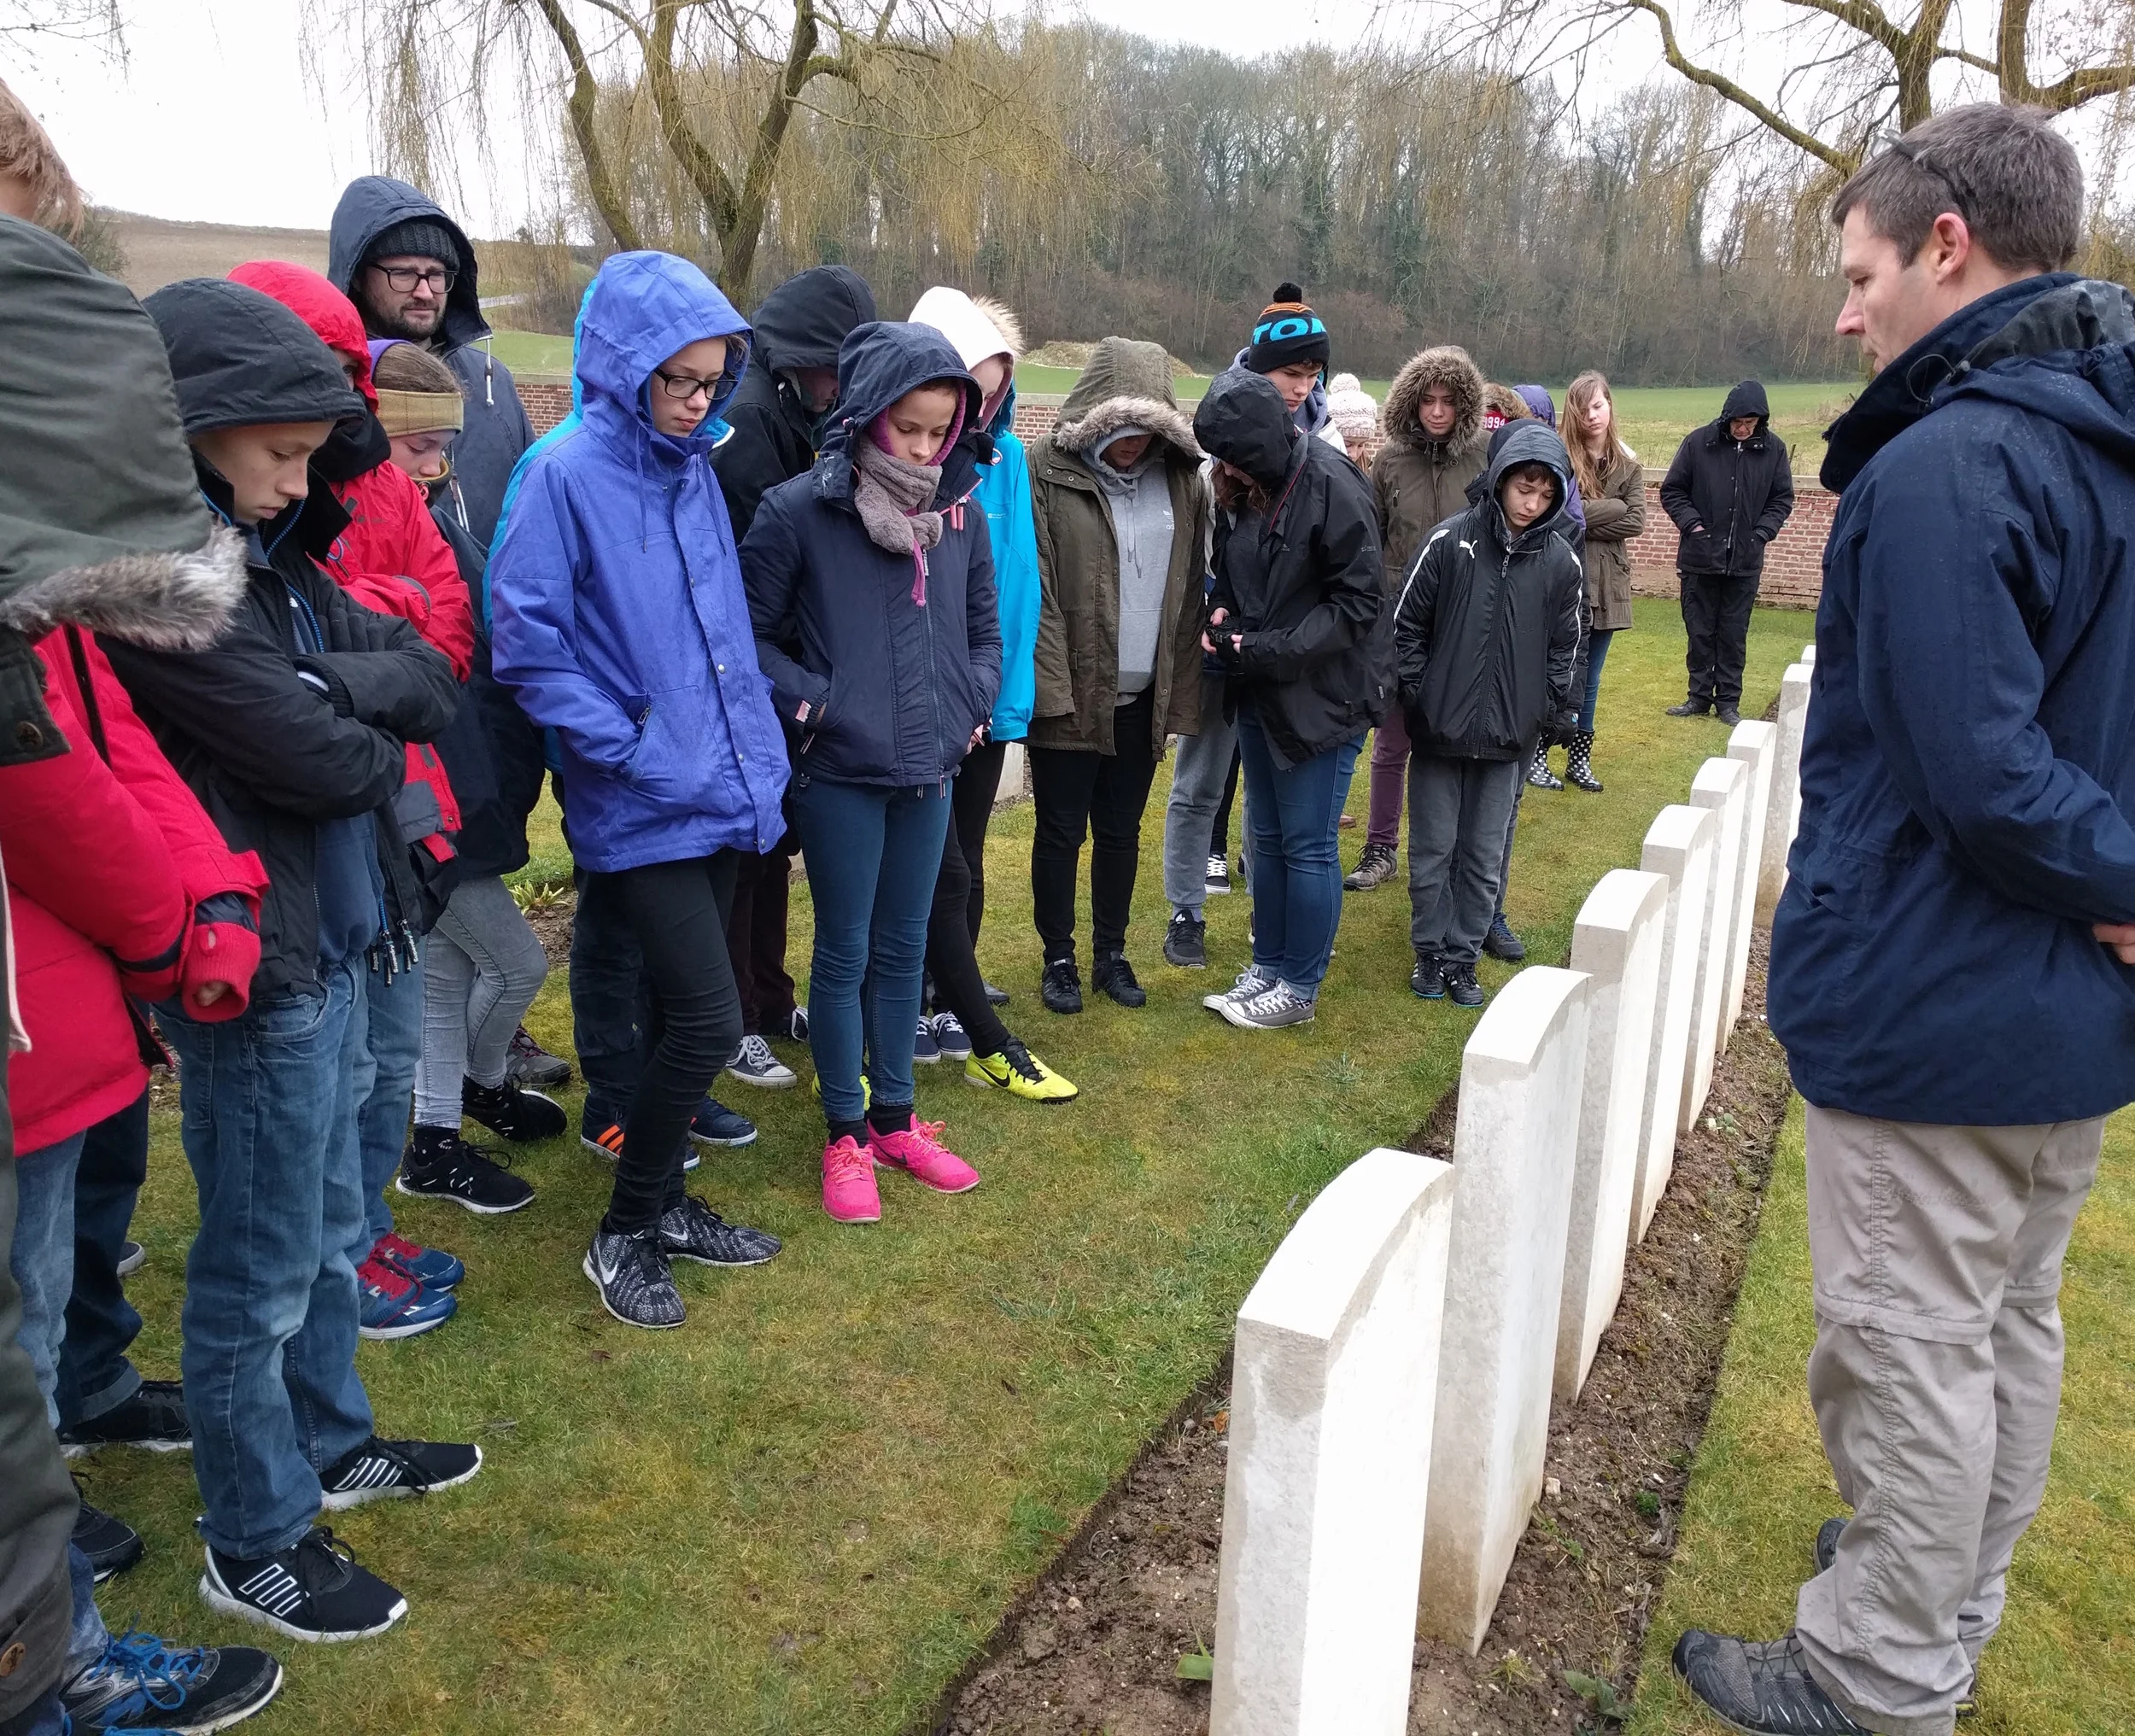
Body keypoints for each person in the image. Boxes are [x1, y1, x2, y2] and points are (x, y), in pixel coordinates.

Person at [1676, 104, 2135, 1736]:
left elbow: (1980, 768)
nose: (1844, 314)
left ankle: (1875, 1672)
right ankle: (1938, 1589)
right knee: (2001, 1329)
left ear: (1952, 245)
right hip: (2061, 1006)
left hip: (1941, 993)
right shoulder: (2103, 435)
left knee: (1911, 1348)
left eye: (1863, 274)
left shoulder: (1955, 461)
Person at [108, 276, 478, 1642]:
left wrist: (337, 694)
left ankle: (330, 1441)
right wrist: (355, 720)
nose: (297, 483)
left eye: (315, 456)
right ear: (194, 431)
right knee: (257, 1268)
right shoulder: (166, 591)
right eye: (278, 453)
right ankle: (252, 1532)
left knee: (329, 1233)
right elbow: (324, 760)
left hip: (352, 934)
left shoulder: (286, 569)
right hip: (265, 971)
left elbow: (435, 669)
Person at [0, 153, 289, 1727]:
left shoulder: (46, 589)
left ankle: (50, 1602)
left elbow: (109, 740)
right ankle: (52, 1659)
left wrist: (207, 888)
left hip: (66, 1012)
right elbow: (52, 783)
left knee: (38, 1330)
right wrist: (181, 919)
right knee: (16, 1350)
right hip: (40, 1021)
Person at [227, 260, 532, 1342]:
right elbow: (290, 664)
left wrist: (363, 642)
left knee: (382, 1049)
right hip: (325, 827)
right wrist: (378, 639)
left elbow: (444, 632)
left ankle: (364, 1229)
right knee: (331, 1059)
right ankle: (338, 1252)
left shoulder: (381, 489)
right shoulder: (270, 514)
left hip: (405, 803)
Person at [488, 251, 786, 1330]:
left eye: (713, 381)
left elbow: (717, 628)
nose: (700, 401)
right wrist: (631, 746)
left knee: (677, 1011)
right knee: (710, 1019)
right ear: (624, 365)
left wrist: (746, 747)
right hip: (642, 793)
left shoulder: (691, 467)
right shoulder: (563, 473)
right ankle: (621, 1232)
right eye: (680, 380)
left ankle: (661, 1204)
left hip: (716, 780)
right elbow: (526, 640)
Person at [743, 321, 999, 1219]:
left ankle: (895, 1117)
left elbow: (983, 628)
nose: (925, 449)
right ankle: (845, 1132)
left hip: (929, 769)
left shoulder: (961, 515)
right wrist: (820, 705)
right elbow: (750, 637)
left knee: (904, 946)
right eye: (909, 428)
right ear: (868, 415)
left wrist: (969, 703)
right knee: (844, 950)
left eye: (940, 430)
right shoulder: (797, 511)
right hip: (841, 773)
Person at [366, 337, 559, 1223]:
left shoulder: (436, 519)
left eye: (445, 446)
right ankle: (479, 1085)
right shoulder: (360, 535)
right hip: (421, 800)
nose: (437, 463)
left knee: (446, 973)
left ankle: (436, 1138)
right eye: (419, 445)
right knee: (517, 963)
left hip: (467, 783)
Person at [905, 287, 1075, 1101]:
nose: (983, 405)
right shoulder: (915, 471)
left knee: (964, 859)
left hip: (987, 695)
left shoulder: (1003, 463)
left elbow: (1016, 586)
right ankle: (913, 996)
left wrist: (1003, 693)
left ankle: (953, 992)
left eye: (996, 389)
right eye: (973, 386)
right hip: (925, 707)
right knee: (922, 866)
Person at [715, 265, 879, 1086]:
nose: (838, 392)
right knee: (747, 851)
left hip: (784, 662)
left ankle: (773, 996)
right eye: (833, 373)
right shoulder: (749, 426)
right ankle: (737, 1018)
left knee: (775, 845)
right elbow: (759, 567)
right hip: (751, 665)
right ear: (802, 359)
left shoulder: (797, 415)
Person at [1192, 367, 1386, 1031]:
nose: (1224, 468)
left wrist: (1265, 647)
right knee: (1267, 839)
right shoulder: (1245, 490)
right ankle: (1268, 965)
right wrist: (1221, 613)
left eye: (1232, 455)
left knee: (1307, 843)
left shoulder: (1334, 485)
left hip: (1323, 696)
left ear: (1260, 445)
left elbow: (1357, 604)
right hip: (1259, 684)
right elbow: (1234, 573)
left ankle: (1300, 985)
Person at [1028, 337, 1212, 1007]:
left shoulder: (1183, 481)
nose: (1133, 442)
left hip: (1143, 694)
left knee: (1121, 829)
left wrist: (1178, 693)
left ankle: (1111, 952)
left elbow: (1188, 591)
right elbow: (1039, 587)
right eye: (1120, 427)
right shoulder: (1044, 472)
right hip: (1073, 691)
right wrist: (1054, 692)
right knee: (1060, 831)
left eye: (1146, 428)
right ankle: (1058, 957)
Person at [1397, 423, 1583, 1010]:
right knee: (1433, 851)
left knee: (1483, 857)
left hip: (1508, 737)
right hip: (1440, 731)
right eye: (1524, 488)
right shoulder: (1448, 542)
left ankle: (1463, 957)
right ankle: (1429, 951)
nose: (1532, 503)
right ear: (1501, 480)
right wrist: (1421, 697)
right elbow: (1406, 628)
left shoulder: (1560, 562)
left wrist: (1545, 711)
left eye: (1546, 495)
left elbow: (1566, 647)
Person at [1344, 342, 1489, 896]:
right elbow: (1371, 540)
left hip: (1464, 620)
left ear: (1464, 405)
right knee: (1391, 743)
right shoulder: (1389, 462)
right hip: (1399, 621)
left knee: (1456, 746)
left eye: (1448, 401)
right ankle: (1380, 847)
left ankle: (1449, 855)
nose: (1436, 411)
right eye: (1427, 400)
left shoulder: (1485, 458)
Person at [328, 175, 535, 550]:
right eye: (403, 273)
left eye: (436, 275)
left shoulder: (493, 381)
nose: (424, 292)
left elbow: (532, 505)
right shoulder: (334, 387)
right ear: (357, 275)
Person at [1659, 378, 1793, 726]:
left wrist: (1761, 534)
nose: (1743, 429)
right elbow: (1673, 491)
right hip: (1700, 558)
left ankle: (1728, 702)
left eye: (1750, 423)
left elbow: (1782, 499)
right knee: (1699, 631)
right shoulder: (1698, 444)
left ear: (1761, 421)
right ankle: (1698, 697)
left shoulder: (1774, 451)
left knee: (1734, 634)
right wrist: (1694, 526)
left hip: (1745, 561)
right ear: (1727, 418)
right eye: (1738, 422)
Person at [1558, 371, 1643, 794]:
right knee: (1556, 669)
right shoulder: (1561, 458)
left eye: (1598, 405)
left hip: (1608, 584)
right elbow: (1560, 515)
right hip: (1566, 578)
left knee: (1590, 679)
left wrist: (1587, 513)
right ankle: (1539, 752)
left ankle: (1579, 759)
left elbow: (1636, 520)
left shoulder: (1628, 463)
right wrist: (1614, 507)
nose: (1592, 415)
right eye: (1583, 408)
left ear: (1610, 405)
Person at [1234, 283, 1346, 453]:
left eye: (1313, 376)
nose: (1302, 390)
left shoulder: (1330, 438)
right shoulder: (1213, 428)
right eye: (1292, 374)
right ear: (1258, 370)